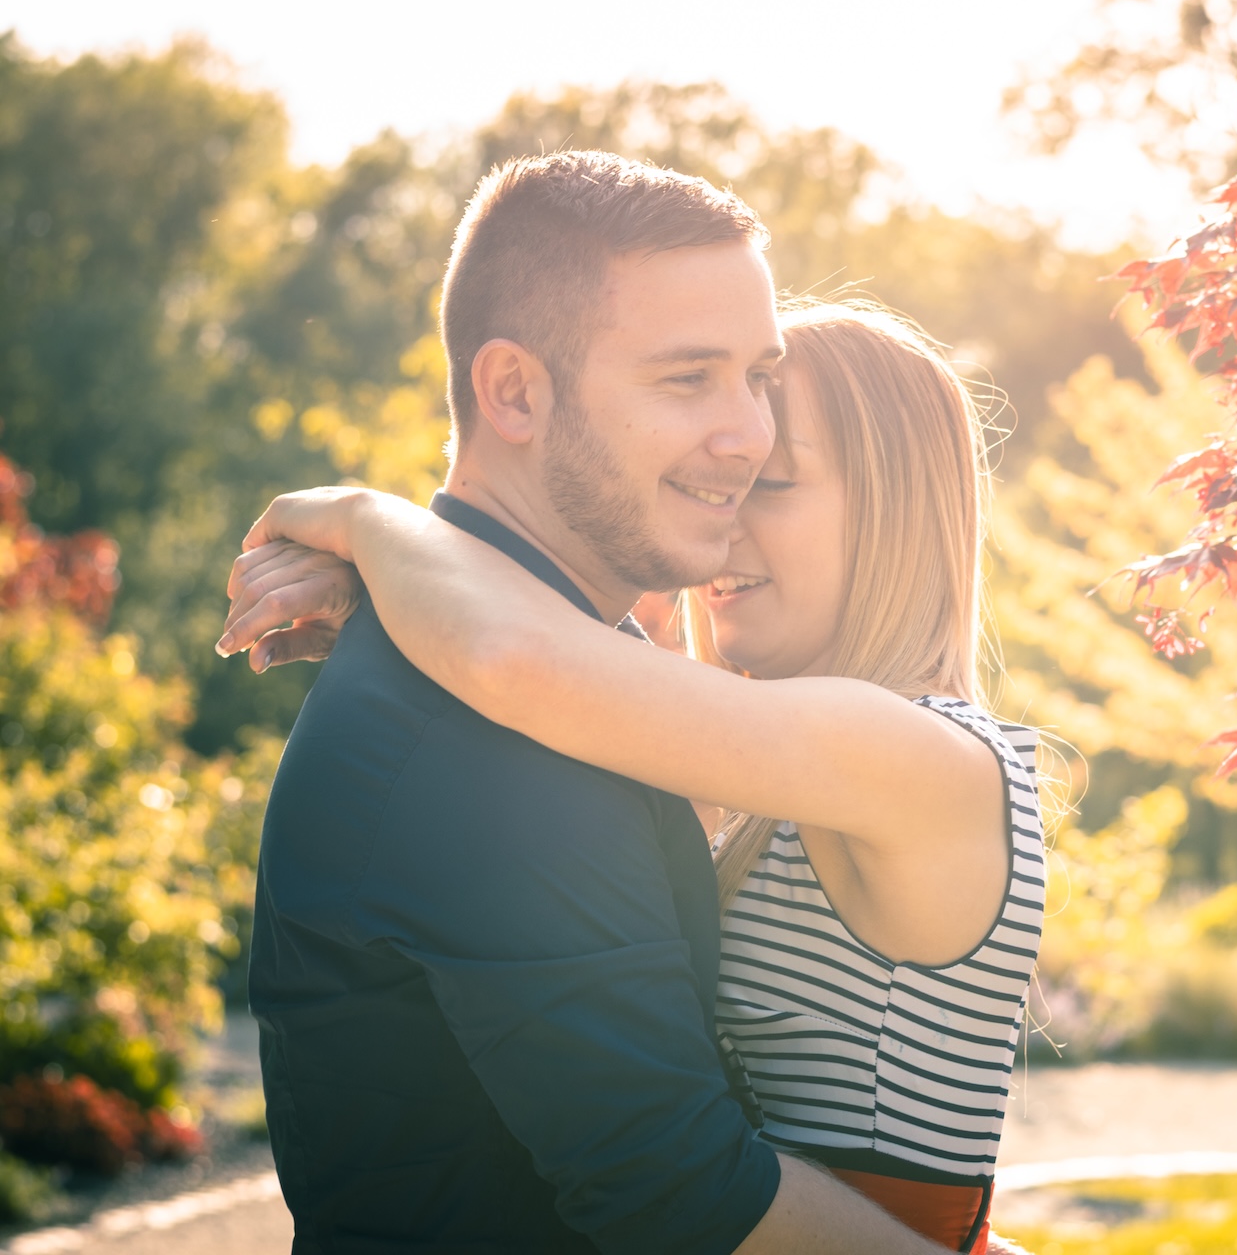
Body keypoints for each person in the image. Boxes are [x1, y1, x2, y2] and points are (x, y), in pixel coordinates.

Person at [223, 150, 961, 1254]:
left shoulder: (577, 675)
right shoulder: (489, 737)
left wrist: (375, 535)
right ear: (514, 390)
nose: (748, 434)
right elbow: (681, 1198)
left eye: (757, 375)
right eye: (686, 378)